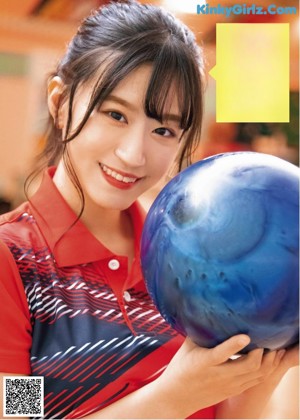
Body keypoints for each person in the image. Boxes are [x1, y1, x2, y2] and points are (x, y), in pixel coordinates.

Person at [0, 1, 298, 419]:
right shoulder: (13, 261)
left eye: (164, 130)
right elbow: (18, 414)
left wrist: (264, 370)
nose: (133, 154)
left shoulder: (193, 260)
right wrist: (174, 397)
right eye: (115, 114)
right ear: (60, 102)